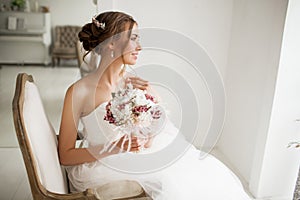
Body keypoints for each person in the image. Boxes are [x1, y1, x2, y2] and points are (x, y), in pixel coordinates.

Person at [58, 11, 252, 200]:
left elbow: (153, 126)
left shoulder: (133, 82)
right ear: (111, 43)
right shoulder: (78, 92)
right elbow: (65, 156)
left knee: (204, 172)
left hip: (140, 154)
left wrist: (147, 131)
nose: (139, 47)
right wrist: (113, 148)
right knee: (168, 180)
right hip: (103, 165)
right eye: (133, 38)